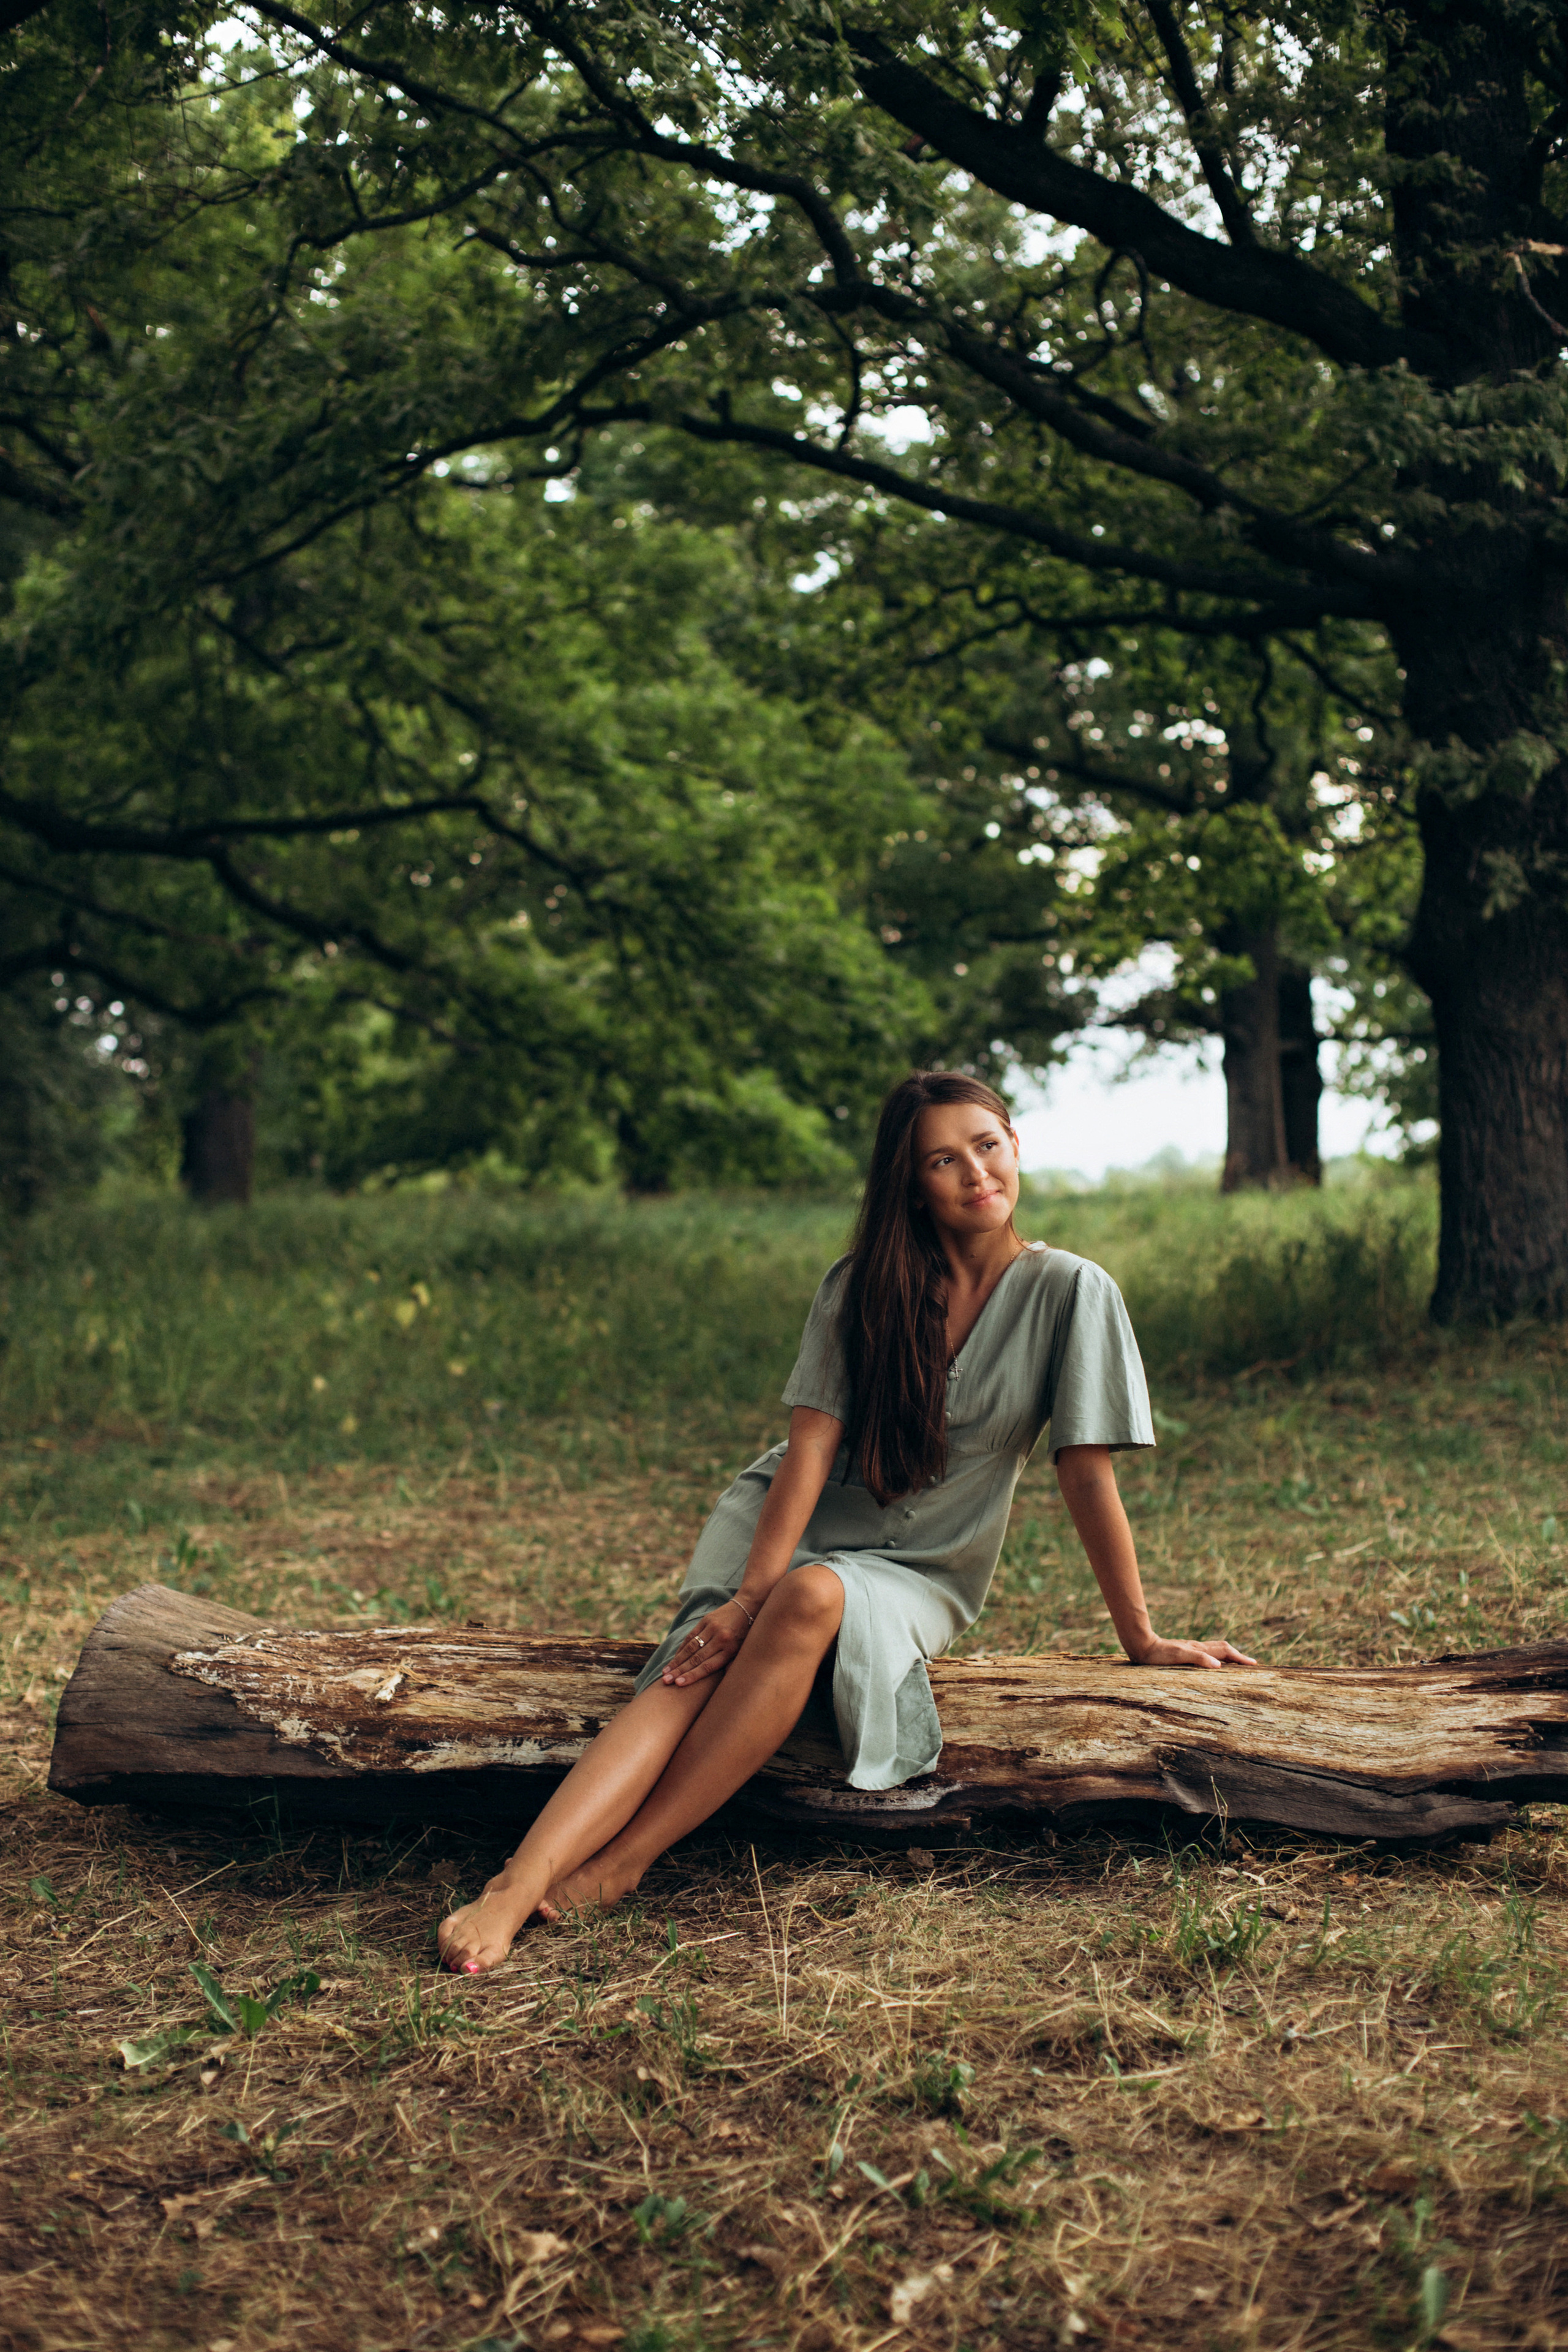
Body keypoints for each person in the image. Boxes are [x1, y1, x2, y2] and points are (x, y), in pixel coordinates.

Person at [436, 1070, 1254, 1974]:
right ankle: (517, 1882)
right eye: (943, 1160)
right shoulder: (862, 1285)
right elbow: (809, 1455)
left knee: (812, 1597)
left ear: (1016, 1146)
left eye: (986, 1145)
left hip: (925, 1566)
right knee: (692, 1667)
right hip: (783, 1527)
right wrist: (746, 1597)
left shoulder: (1072, 1292)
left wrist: (1140, 1638)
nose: (974, 1173)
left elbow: (1086, 1478)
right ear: (912, 1183)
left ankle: (628, 1862)